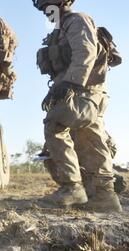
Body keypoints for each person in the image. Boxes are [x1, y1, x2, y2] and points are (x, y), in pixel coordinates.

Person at [33, 0, 122, 212]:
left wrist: (70, 83)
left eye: (49, 6)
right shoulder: (61, 29)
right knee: (90, 139)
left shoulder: (77, 20)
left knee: (55, 125)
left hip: (84, 90)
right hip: (85, 91)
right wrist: (56, 89)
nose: (46, 11)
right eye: (43, 8)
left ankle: (72, 187)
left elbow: (85, 53)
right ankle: (104, 196)